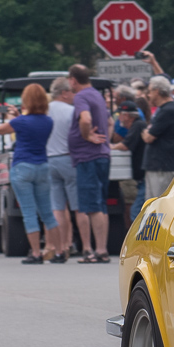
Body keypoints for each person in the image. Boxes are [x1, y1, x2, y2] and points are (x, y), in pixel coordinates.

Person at [0, 84, 57, 263]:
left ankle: (35, 253)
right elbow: (29, 128)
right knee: (47, 212)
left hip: (23, 166)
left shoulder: (21, 122)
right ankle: (55, 249)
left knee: (28, 212)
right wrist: (18, 117)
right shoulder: (48, 121)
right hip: (42, 166)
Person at [68, 64, 112, 264]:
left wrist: (88, 136)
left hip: (88, 156)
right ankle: (102, 249)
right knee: (101, 204)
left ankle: (99, 250)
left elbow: (85, 119)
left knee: (92, 205)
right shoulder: (97, 95)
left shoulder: (81, 97)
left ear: (73, 80)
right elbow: (110, 122)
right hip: (102, 155)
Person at [44, 78, 80, 262]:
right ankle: (73, 244)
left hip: (49, 158)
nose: (74, 96)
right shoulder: (72, 111)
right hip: (68, 157)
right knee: (77, 206)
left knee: (57, 207)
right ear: (65, 93)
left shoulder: (45, 111)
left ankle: (59, 247)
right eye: (72, 93)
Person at [141, 76, 174, 200]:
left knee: (157, 203)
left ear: (157, 91)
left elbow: (148, 137)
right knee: (151, 203)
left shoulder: (168, 110)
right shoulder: (167, 108)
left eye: (149, 91)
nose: (148, 95)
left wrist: (146, 131)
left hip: (161, 165)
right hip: (158, 164)